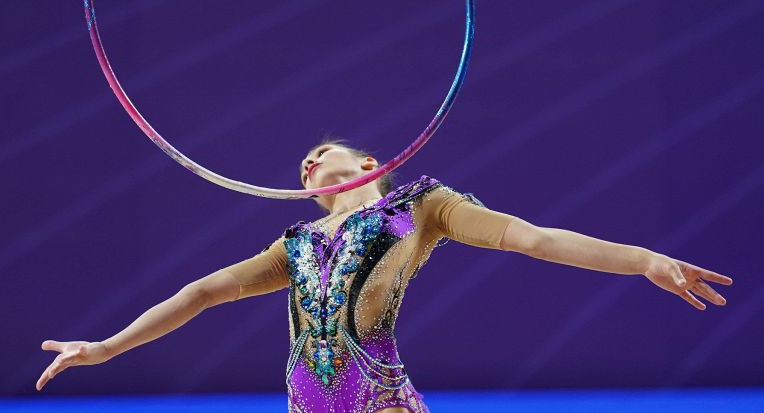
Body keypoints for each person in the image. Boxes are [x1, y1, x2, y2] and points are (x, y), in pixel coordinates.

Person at [36, 137, 734, 413]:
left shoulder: (422, 204)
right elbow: (198, 294)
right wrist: (102, 347)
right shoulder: (297, 242)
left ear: (371, 162)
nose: (309, 161)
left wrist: (644, 257)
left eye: (323, 150)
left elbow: (534, 238)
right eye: (303, 163)